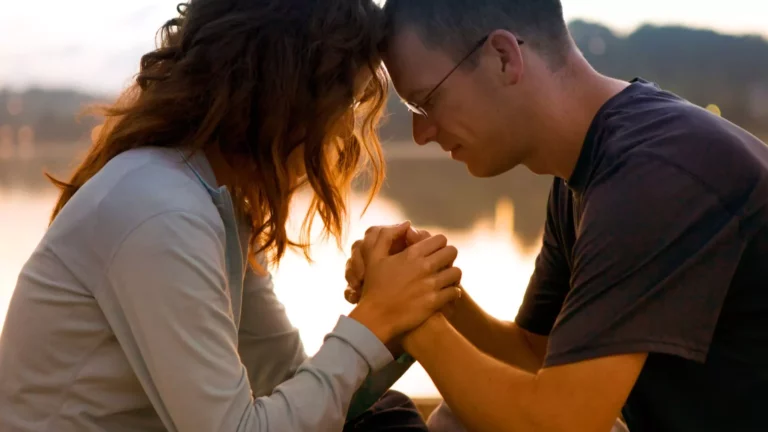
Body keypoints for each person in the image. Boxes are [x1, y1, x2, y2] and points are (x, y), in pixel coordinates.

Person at [0, 1, 464, 431]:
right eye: (347, 103)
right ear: (290, 94)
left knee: (386, 418)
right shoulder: (159, 209)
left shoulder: (211, 203)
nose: (344, 133)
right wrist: (374, 320)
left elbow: (289, 385)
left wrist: (401, 312)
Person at [344, 0, 768, 431]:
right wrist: (431, 291)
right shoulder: (591, 169)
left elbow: (560, 426)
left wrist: (412, 317)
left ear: (503, 58)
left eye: (425, 102)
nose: (420, 135)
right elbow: (535, 355)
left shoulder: (654, 175)